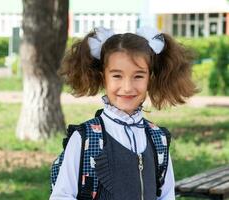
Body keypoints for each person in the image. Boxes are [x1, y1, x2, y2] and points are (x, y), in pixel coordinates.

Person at [50, 26, 197, 200]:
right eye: (117, 76)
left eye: (138, 76)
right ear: (102, 76)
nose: (127, 87)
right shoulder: (85, 139)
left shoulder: (158, 140)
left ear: (150, 78)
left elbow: (166, 195)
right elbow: (62, 196)